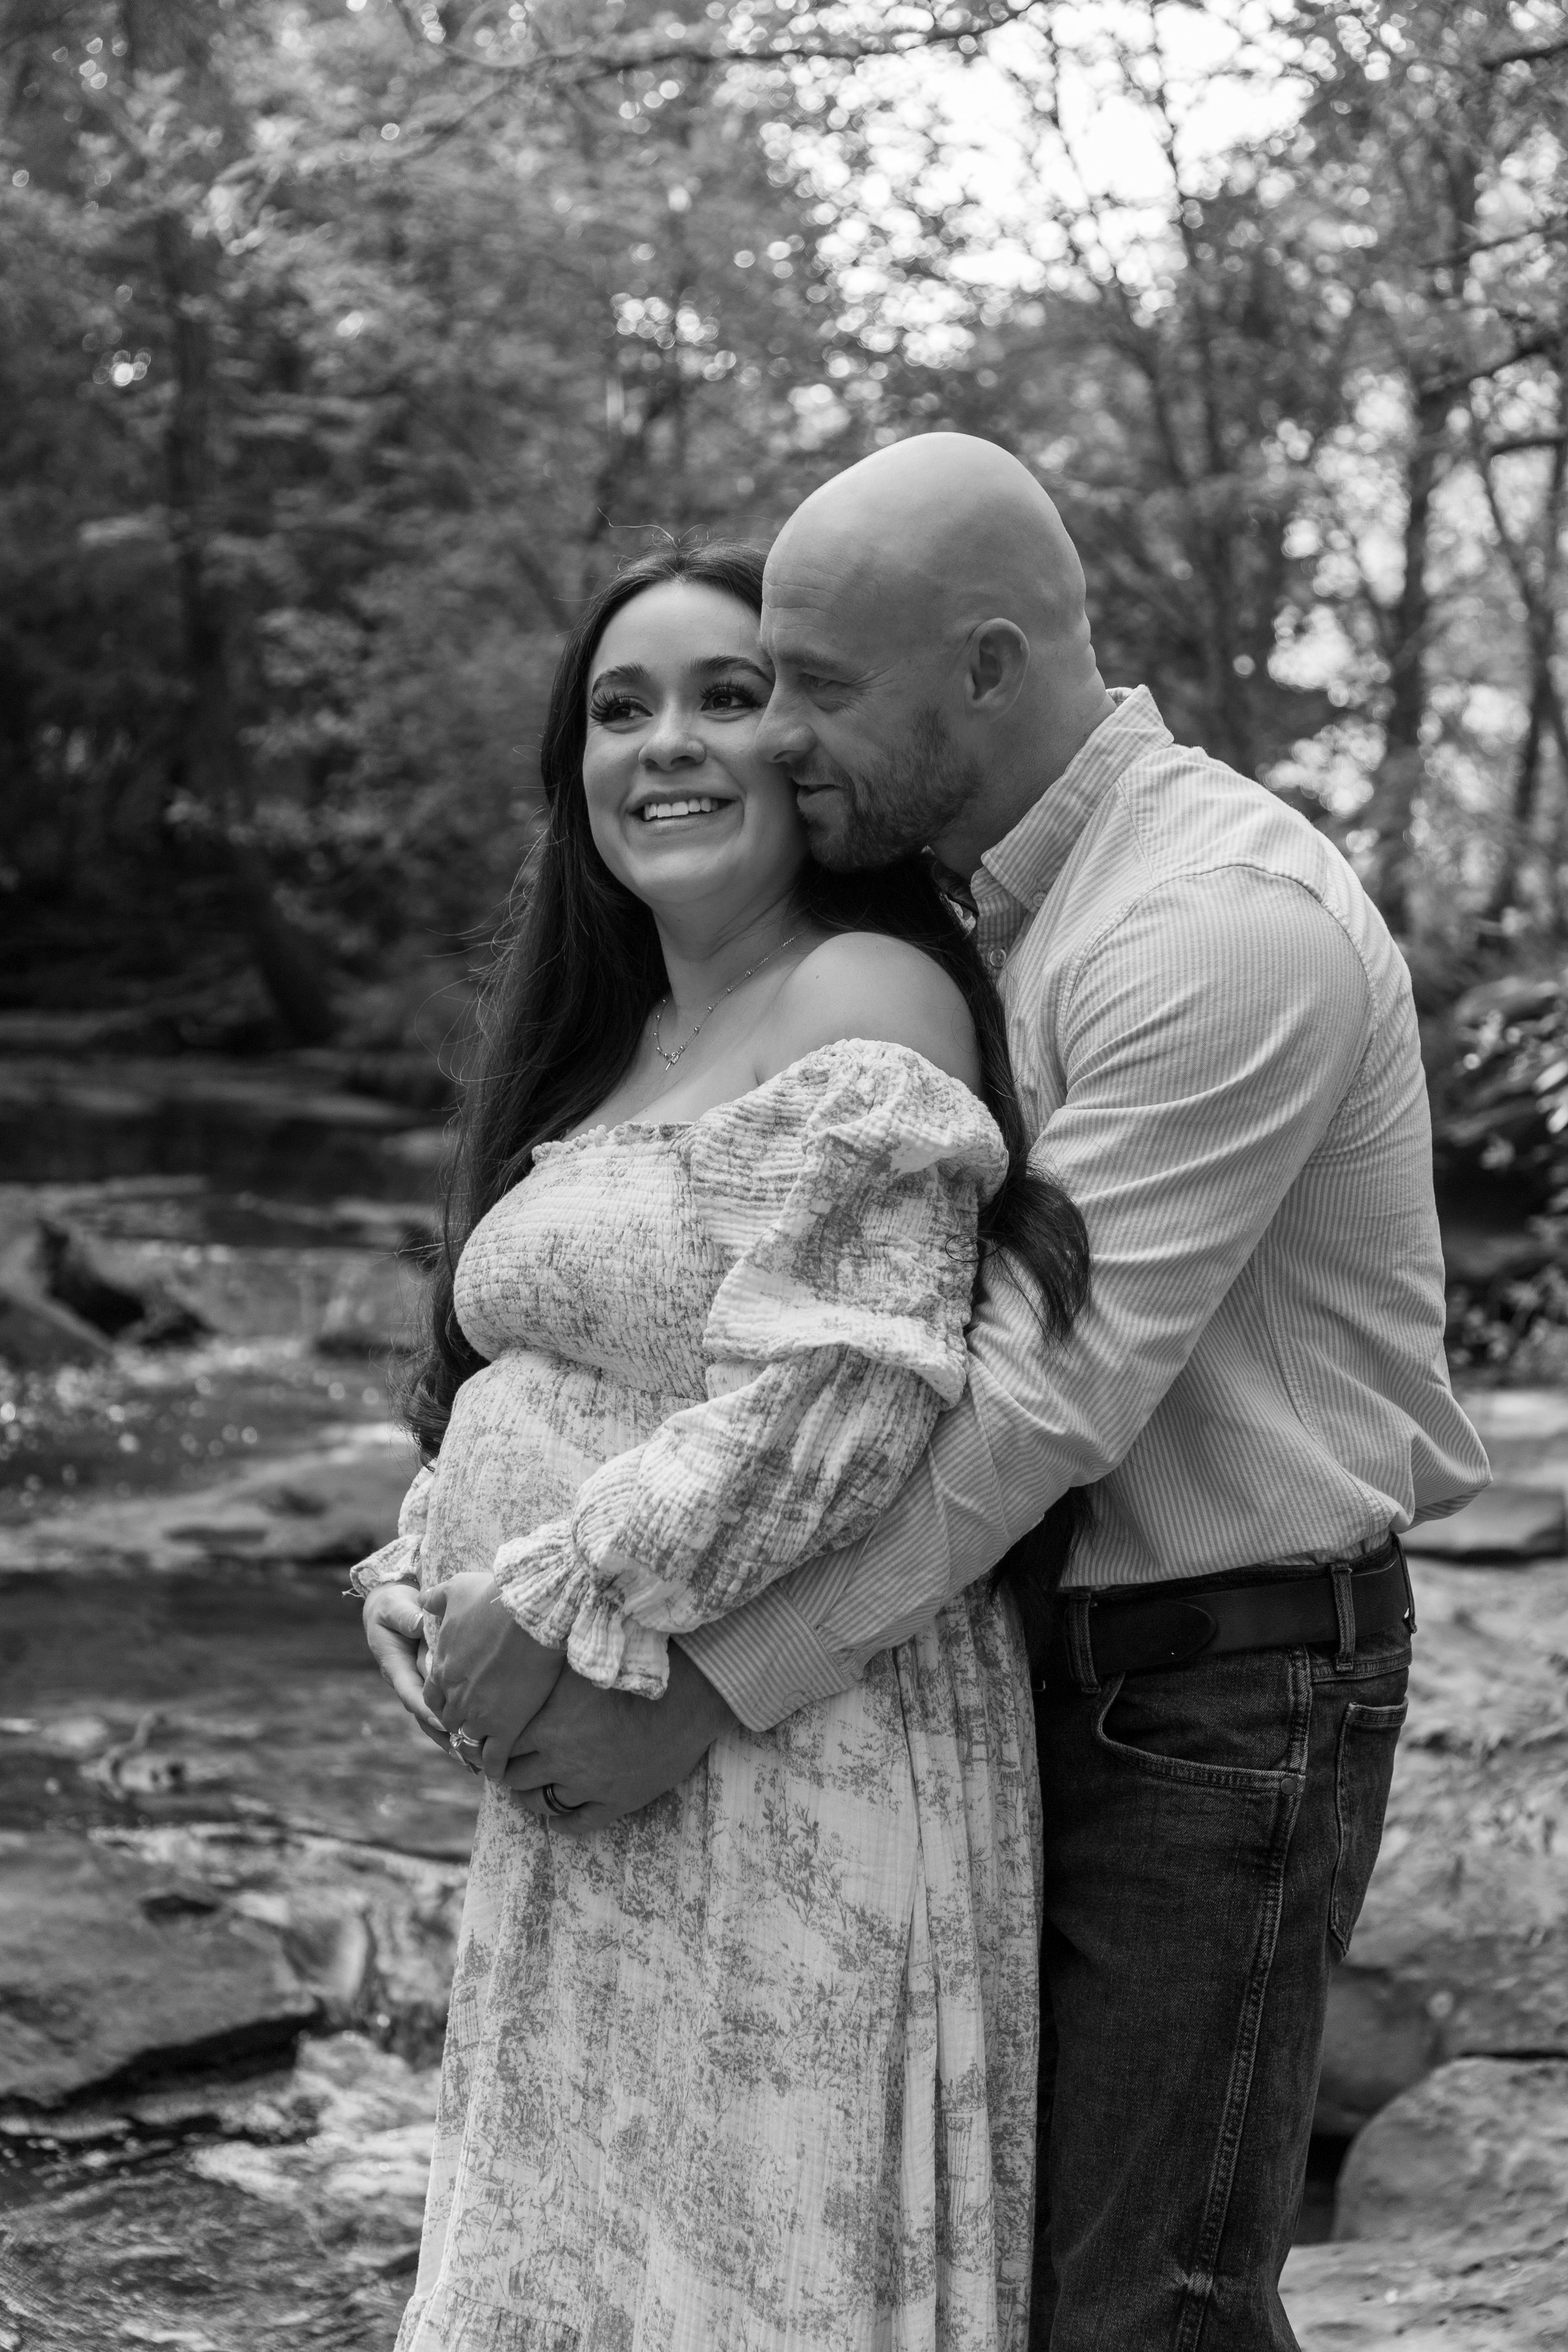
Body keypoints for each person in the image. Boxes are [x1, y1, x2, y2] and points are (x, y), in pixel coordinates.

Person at [371, 436, 1490, 2350]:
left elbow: (1024, 1403)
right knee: (1005, 2264)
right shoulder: (987, 906)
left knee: (1142, 2303)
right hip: (1021, 1654)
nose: (775, 741)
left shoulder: (1212, 928)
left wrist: (692, 1693)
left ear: (982, 668)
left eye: (807, 686)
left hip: (1214, 1682)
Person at [354, 538, 1091, 2351]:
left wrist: (548, 1594)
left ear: (808, 751)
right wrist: (408, 1575)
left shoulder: (867, 1001)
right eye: (620, 709)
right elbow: (523, 1382)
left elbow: (844, 1396)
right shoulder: (605, 1049)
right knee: (584, 2249)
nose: (665, 744)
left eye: (727, 695)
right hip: (586, 1761)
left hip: (787, 1761)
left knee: (754, 2268)